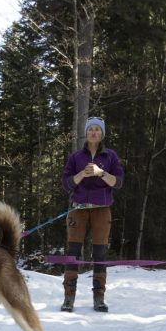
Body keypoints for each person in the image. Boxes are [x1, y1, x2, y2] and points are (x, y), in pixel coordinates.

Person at [60, 117, 125, 313]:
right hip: (78, 209)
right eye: (91, 129)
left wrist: (100, 173)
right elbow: (66, 184)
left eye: (97, 129)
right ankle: (68, 298)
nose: (94, 132)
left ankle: (99, 298)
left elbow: (119, 183)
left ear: (102, 133)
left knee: (100, 253)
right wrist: (81, 175)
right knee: (73, 252)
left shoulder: (111, 157)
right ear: (86, 133)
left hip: (102, 209)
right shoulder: (76, 157)